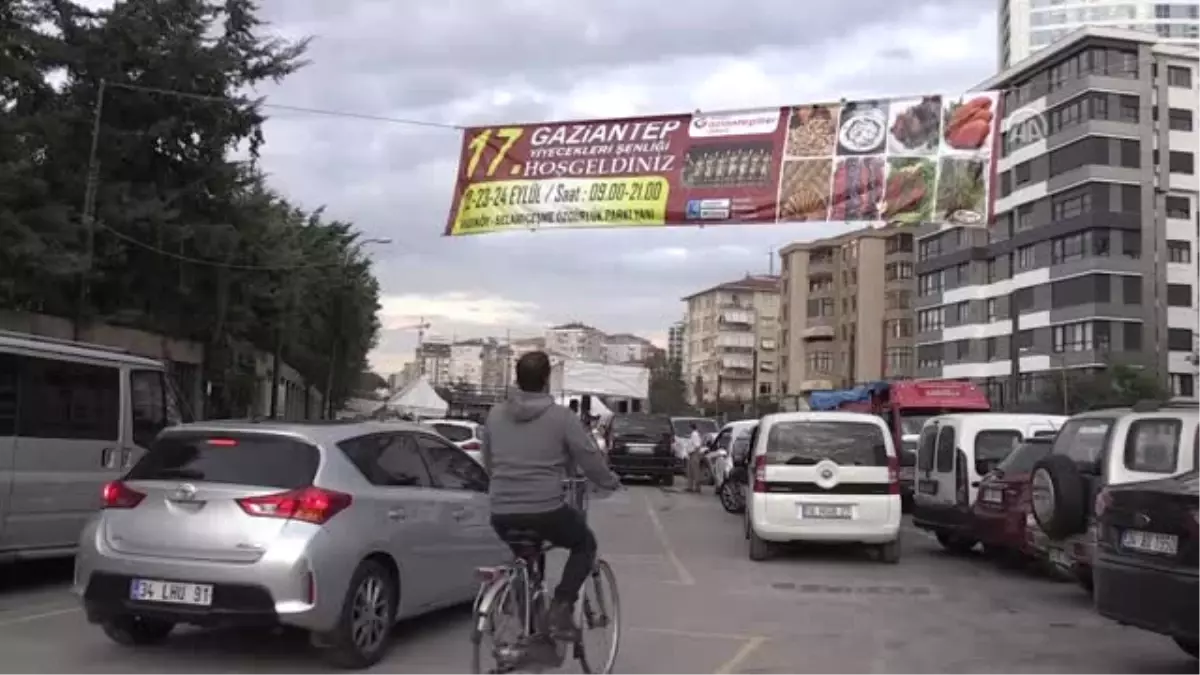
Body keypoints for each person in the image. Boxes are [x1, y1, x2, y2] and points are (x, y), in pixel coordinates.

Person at [480, 351, 621, 641]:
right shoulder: (561, 417)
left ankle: (530, 632)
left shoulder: (494, 415)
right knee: (584, 543)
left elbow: (489, 462)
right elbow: (587, 456)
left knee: (526, 556)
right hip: (545, 509)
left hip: (501, 512)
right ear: (546, 380)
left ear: (517, 379)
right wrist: (608, 481)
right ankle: (561, 606)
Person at [686, 422, 706, 493]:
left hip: (694, 454)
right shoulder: (692, 434)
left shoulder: (695, 434)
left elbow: (697, 445)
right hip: (691, 454)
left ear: (691, 428)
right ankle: (690, 487)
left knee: (695, 471)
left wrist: (696, 455)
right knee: (690, 471)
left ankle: (697, 488)